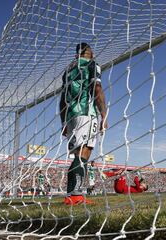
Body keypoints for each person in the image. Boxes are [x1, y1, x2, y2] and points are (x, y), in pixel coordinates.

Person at [60, 42, 108, 205]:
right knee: (84, 153)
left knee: (77, 155)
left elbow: (62, 100)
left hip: (71, 115)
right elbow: (97, 88)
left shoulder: (67, 71)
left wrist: (64, 122)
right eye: (91, 52)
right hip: (87, 113)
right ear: (88, 53)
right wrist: (104, 115)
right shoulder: (92, 64)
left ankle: (70, 195)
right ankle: (77, 196)